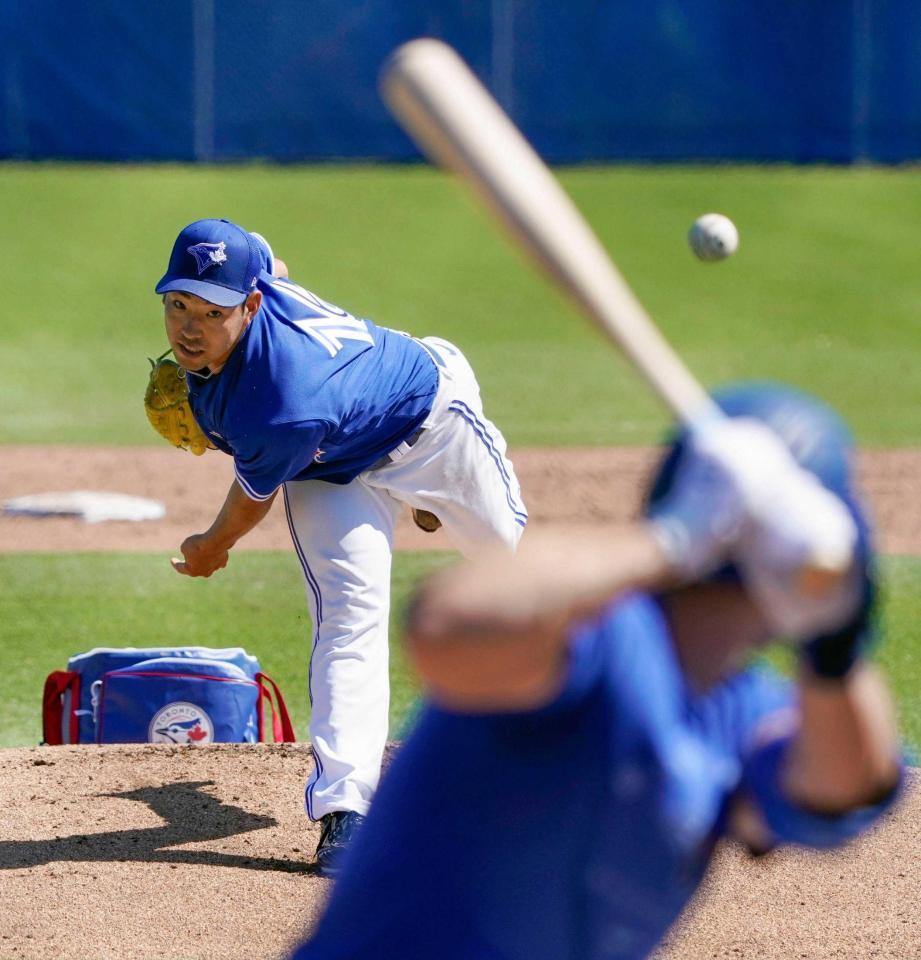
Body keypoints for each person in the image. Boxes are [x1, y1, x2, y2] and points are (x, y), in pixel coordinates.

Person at [291, 383, 903, 960]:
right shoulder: (594, 640)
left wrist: (837, 647)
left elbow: (840, 794)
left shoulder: (738, 710)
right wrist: (677, 540)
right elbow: (445, 628)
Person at [154, 218, 527, 875]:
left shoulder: (281, 403)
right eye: (177, 304)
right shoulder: (258, 277)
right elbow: (272, 253)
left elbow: (247, 503)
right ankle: (345, 812)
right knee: (348, 619)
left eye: (210, 311)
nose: (189, 327)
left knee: (519, 574)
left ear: (251, 303)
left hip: (430, 424)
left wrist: (209, 548)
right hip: (331, 472)